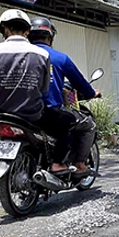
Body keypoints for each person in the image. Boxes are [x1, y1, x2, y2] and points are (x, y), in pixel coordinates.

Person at [0, 10, 77, 175]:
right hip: (33, 116)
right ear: (27, 32)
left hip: (0, 115)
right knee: (68, 119)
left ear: (5, 30)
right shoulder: (42, 54)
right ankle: (58, 164)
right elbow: (44, 89)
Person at [28, 17, 101, 178]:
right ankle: (77, 164)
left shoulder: (18, 57)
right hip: (47, 113)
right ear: (49, 37)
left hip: (17, 111)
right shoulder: (59, 58)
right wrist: (91, 93)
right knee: (86, 124)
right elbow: (80, 82)